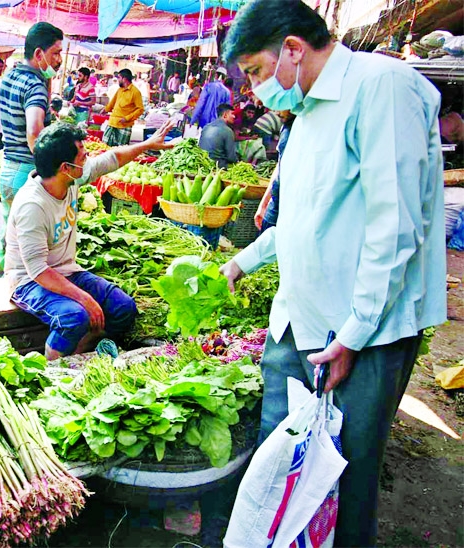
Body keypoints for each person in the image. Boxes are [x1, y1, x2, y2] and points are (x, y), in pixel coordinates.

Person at [218, 1, 446, 546]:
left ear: (292, 48)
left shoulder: (381, 88)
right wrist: (242, 261)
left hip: (360, 334)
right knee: (285, 467)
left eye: (254, 71)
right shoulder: (307, 112)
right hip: (297, 323)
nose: (253, 89)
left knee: (343, 476)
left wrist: (353, 335)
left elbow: (395, 228)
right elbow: (302, 219)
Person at [5, 121, 174, 359]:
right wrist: (85, 298)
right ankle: (51, 372)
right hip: (28, 281)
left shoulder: (71, 178)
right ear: (65, 167)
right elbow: (38, 271)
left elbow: (111, 158)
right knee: (74, 317)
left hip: (67, 271)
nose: (88, 159)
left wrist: (147, 144)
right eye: (83, 156)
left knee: (124, 308)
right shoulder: (33, 205)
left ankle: (80, 355)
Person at [0, 22, 63, 219]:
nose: (59, 60)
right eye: (55, 53)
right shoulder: (35, 86)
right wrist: (50, 171)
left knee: (9, 239)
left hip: (8, 168)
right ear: (38, 54)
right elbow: (34, 132)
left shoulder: (10, 76)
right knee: (24, 244)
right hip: (26, 171)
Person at [254, 111, 295, 232]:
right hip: (274, 209)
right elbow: (280, 165)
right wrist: (264, 204)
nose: (276, 111)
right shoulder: (287, 126)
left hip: (291, 213)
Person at [103, 69, 144, 147]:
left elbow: (140, 109)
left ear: (124, 79)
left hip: (124, 125)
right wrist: (106, 109)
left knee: (121, 150)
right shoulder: (120, 90)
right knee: (105, 147)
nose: (118, 80)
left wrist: (127, 118)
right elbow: (113, 102)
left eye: (119, 78)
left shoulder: (135, 92)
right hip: (112, 122)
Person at [198, 103, 238, 169]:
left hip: (203, 162)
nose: (234, 117)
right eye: (232, 114)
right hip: (218, 165)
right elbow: (231, 157)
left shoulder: (206, 126)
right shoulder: (228, 131)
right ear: (225, 115)